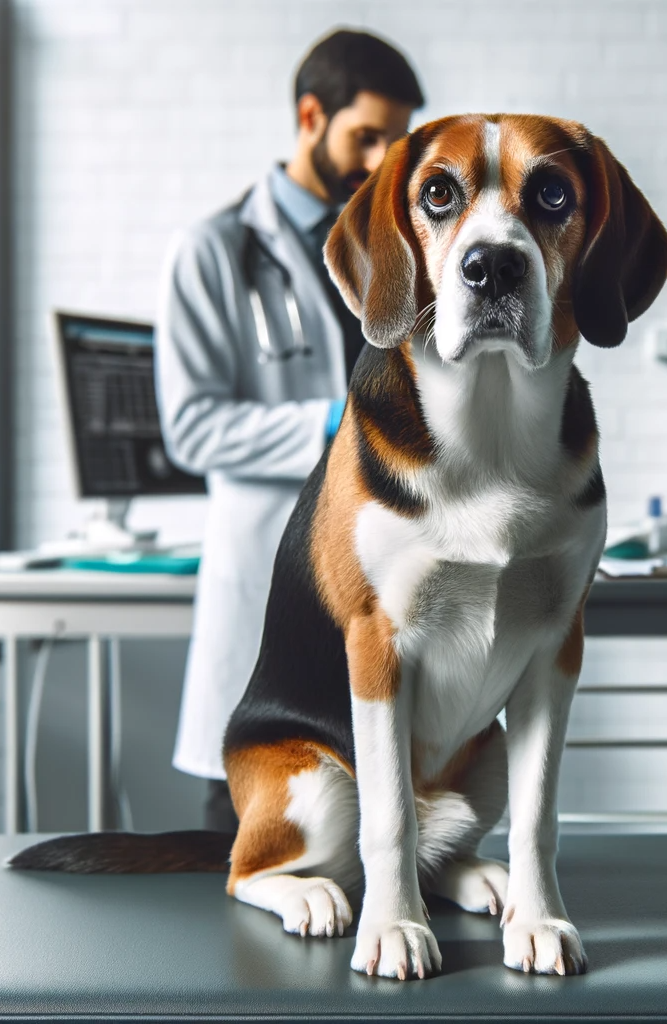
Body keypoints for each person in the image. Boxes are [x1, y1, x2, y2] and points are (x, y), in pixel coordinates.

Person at [154, 29, 424, 830]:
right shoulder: (215, 252)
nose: (383, 161)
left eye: (396, 141)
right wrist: (338, 422)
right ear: (311, 116)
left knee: (392, 850)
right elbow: (193, 428)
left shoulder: (394, 247)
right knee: (263, 854)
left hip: (385, 589)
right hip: (278, 582)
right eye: (365, 136)